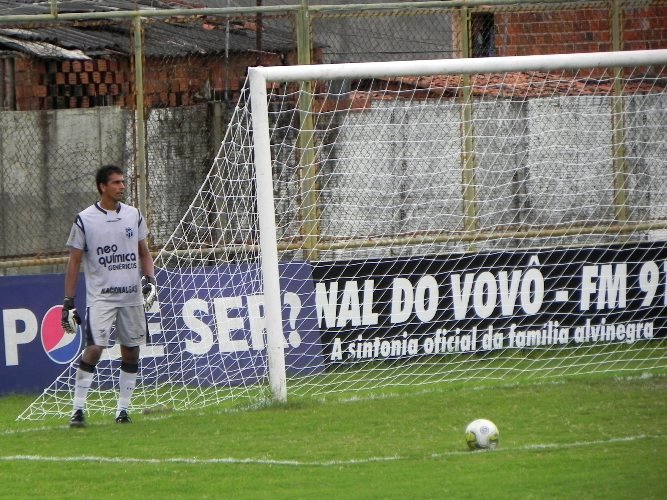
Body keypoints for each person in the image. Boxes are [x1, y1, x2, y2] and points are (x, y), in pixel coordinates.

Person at [61, 165, 157, 428]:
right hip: (101, 298)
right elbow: (74, 262)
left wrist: (150, 281)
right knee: (94, 349)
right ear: (103, 186)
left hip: (131, 297)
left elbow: (144, 253)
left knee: (131, 353)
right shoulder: (85, 219)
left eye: (123, 182)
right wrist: (68, 301)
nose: (122, 186)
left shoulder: (133, 215)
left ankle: (123, 411)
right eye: (116, 183)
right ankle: (78, 410)